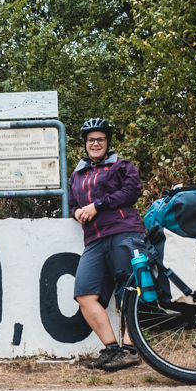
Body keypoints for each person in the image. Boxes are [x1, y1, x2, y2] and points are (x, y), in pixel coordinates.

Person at [68, 118, 145, 371]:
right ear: (85, 144)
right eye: (91, 140)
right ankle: (112, 349)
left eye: (100, 139)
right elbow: (71, 203)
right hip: (94, 240)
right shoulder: (77, 174)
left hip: (124, 232)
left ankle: (131, 350)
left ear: (107, 142)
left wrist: (96, 206)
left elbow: (132, 192)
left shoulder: (122, 166)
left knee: (131, 291)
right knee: (85, 294)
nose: (96, 143)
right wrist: (77, 212)